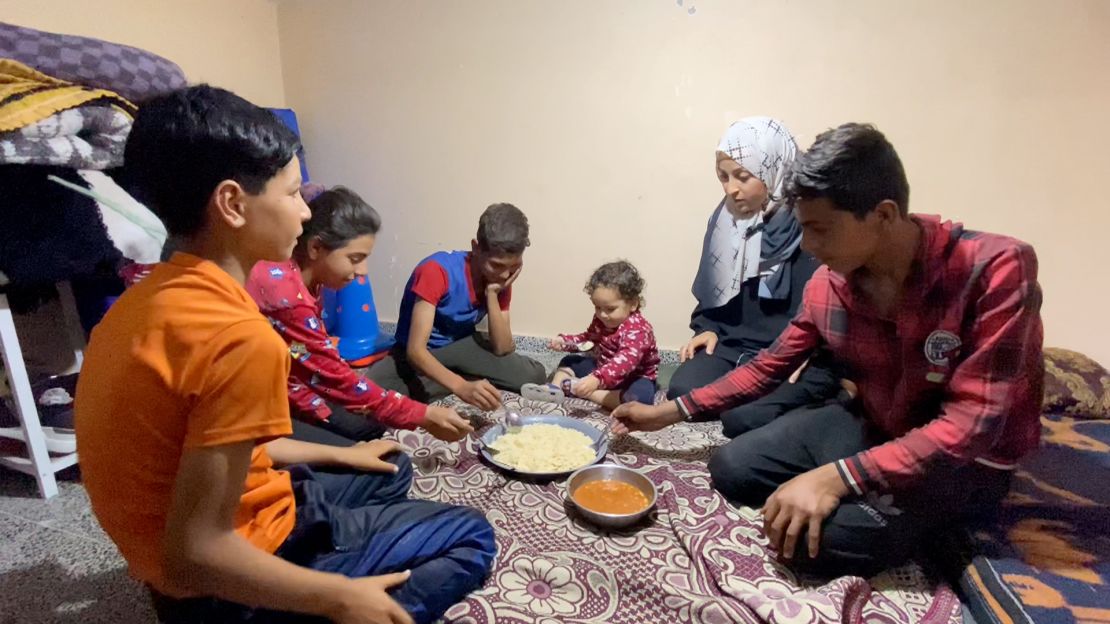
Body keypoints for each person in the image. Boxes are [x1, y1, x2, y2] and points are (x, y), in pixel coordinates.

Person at [74, 85, 495, 624]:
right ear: (231, 203)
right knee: (472, 535)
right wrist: (339, 599)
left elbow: (222, 449)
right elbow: (192, 558)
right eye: (294, 193)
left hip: (208, 540)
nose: (304, 212)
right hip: (217, 588)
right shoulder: (239, 336)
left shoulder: (141, 299)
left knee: (388, 468)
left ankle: (337, 548)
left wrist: (344, 455)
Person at [613, 123, 1044, 577]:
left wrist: (838, 477)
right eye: (804, 230)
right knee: (732, 466)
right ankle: (869, 490)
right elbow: (770, 366)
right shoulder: (829, 284)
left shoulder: (994, 270)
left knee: (811, 542)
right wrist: (668, 413)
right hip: (878, 424)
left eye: (820, 230)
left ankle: (917, 516)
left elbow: (969, 426)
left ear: (882, 214)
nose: (811, 248)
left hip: (962, 460)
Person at [246, 185, 473, 446]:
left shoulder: (309, 280)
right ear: (315, 248)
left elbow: (294, 347)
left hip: (292, 383)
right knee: (379, 459)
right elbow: (340, 381)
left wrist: (317, 356)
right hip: (260, 404)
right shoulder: (285, 294)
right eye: (355, 258)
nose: (362, 270)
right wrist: (425, 415)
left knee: (370, 426)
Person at [668, 117, 841, 437]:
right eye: (723, 176)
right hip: (733, 346)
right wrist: (706, 328)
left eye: (743, 176)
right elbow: (714, 291)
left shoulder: (812, 224)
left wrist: (817, 354)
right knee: (681, 390)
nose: (731, 188)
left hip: (793, 353)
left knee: (742, 418)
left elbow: (835, 305)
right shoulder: (725, 222)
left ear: (774, 169)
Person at [368, 203, 546, 410]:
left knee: (534, 375)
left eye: (514, 266)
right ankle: (453, 377)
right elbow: (416, 351)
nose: (505, 275)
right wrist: (461, 386)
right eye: (497, 265)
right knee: (370, 401)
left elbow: (503, 347)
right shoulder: (436, 271)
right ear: (476, 248)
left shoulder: (499, 279)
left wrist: (492, 294)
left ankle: (445, 377)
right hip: (422, 351)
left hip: (463, 346)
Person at [522, 260, 660, 410]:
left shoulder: (639, 330)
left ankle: (587, 392)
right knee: (570, 361)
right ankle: (554, 388)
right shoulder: (601, 320)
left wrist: (596, 379)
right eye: (597, 307)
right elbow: (588, 340)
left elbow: (624, 363)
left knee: (641, 400)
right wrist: (566, 341)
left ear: (633, 304)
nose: (602, 314)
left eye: (610, 309)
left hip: (633, 378)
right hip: (602, 368)